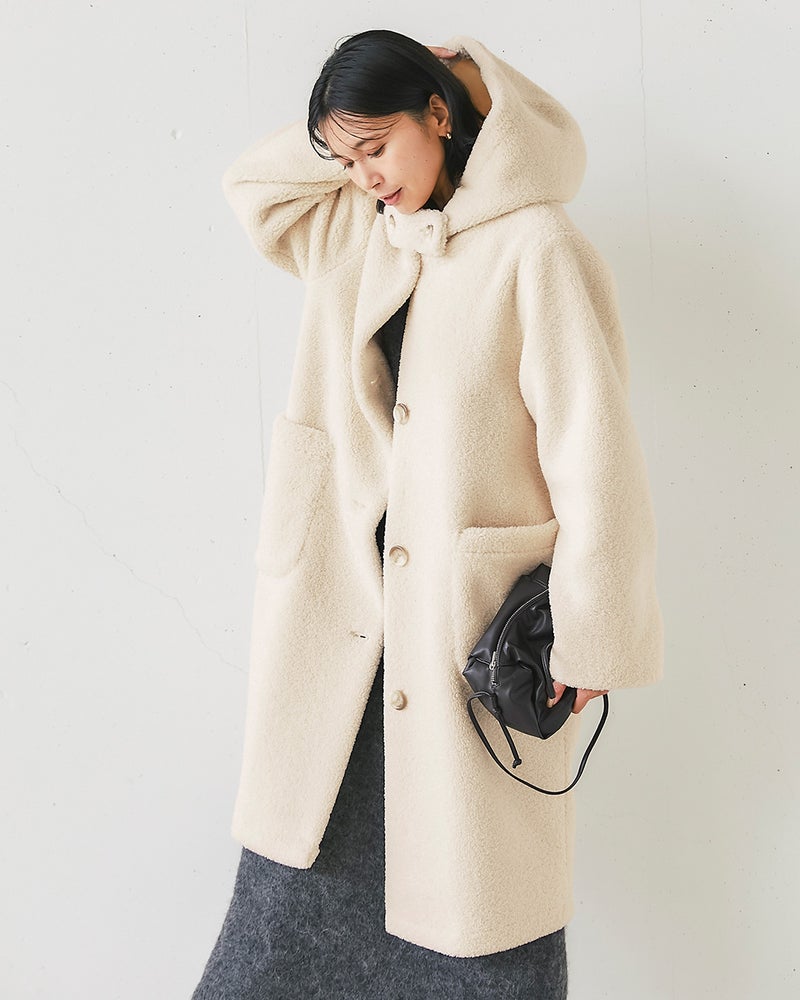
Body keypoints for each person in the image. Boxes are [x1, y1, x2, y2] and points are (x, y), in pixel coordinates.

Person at [191, 29, 663, 999]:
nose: (364, 177)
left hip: (461, 627)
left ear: (439, 116)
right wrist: (350, 131)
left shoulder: (539, 248)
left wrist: (590, 639)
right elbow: (255, 188)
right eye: (343, 159)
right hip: (341, 612)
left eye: (377, 147)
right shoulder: (350, 230)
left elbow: (595, 459)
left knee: (476, 905)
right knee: (290, 890)